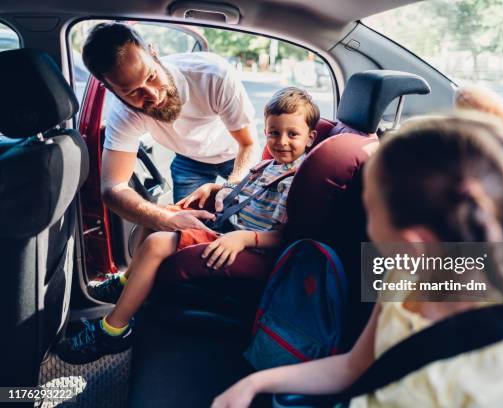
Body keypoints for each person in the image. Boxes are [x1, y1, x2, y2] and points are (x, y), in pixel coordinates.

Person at [211, 113, 503, 408]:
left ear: (414, 244)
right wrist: (255, 383)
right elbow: (356, 366)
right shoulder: (403, 277)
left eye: (369, 210)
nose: (366, 226)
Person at [56, 88, 320, 364]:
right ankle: (125, 282)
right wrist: (216, 187)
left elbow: (291, 236)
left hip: (250, 247)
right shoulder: (270, 165)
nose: (281, 142)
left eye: (293, 134)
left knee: (158, 242)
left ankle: (113, 330)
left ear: (311, 137)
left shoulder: (299, 179)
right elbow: (250, 194)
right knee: (161, 214)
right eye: (273, 133)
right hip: (230, 224)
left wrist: (245, 239)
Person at [82, 22, 259, 234]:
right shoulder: (123, 114)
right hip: (190, 161)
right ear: (111, 90)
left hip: (236, 155)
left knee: (252, 220)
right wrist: (166, 218)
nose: (153, 96)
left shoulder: (213, 76)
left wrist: (232, 187)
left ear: (153, 52)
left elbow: (248, 143)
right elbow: (113, 188)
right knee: (187, 230)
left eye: (151, 76)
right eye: (132, 93)